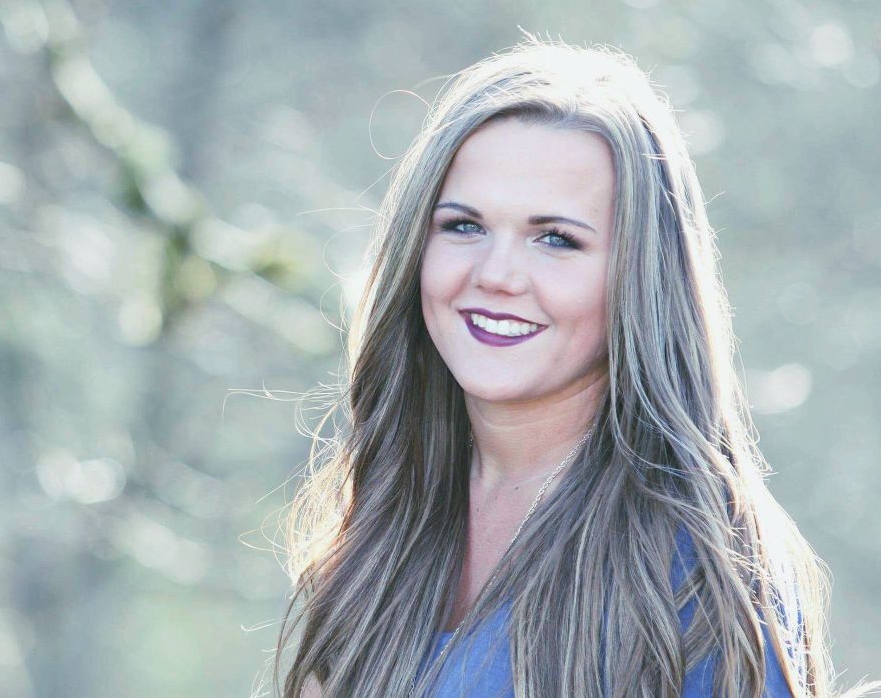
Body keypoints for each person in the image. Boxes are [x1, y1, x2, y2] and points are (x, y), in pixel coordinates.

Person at [268, 35, 880, 697]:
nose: (497, 274)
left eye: (555, 239)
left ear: (638, 278)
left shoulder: (698, 566)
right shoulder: (385, 514)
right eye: (464, 226)